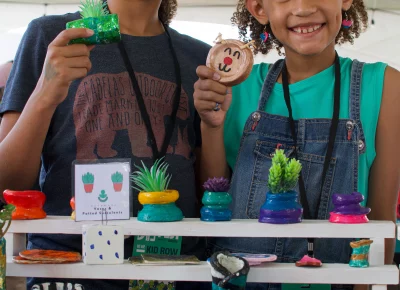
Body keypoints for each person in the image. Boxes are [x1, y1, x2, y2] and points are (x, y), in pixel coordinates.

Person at [0, 0, 210, 289]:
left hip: (179, 268)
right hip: (69, 268)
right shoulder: (53, 36)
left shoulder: (199, 56)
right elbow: (7, 184)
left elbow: (210, 186)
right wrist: (44, 95)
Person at [194, 0, 400, 289]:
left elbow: (381, 222)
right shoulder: (234, 87)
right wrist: (210, 126)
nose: (303, 8)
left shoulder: (385, 86)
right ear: (259, 8)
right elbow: (214, 198)